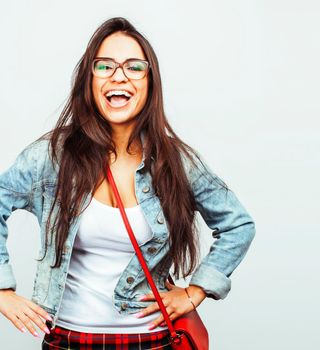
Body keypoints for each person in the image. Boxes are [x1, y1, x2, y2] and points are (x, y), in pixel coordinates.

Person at [0, 17, 256, 349]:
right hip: (67, 340)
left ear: (150, 82)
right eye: (104, 66)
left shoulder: (176, 162)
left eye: (134, 67)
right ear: (89, 80)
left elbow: (239, 225)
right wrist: (2, 292)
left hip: (151, 341)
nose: (119, 75)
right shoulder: (52, 156)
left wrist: (196, 291)